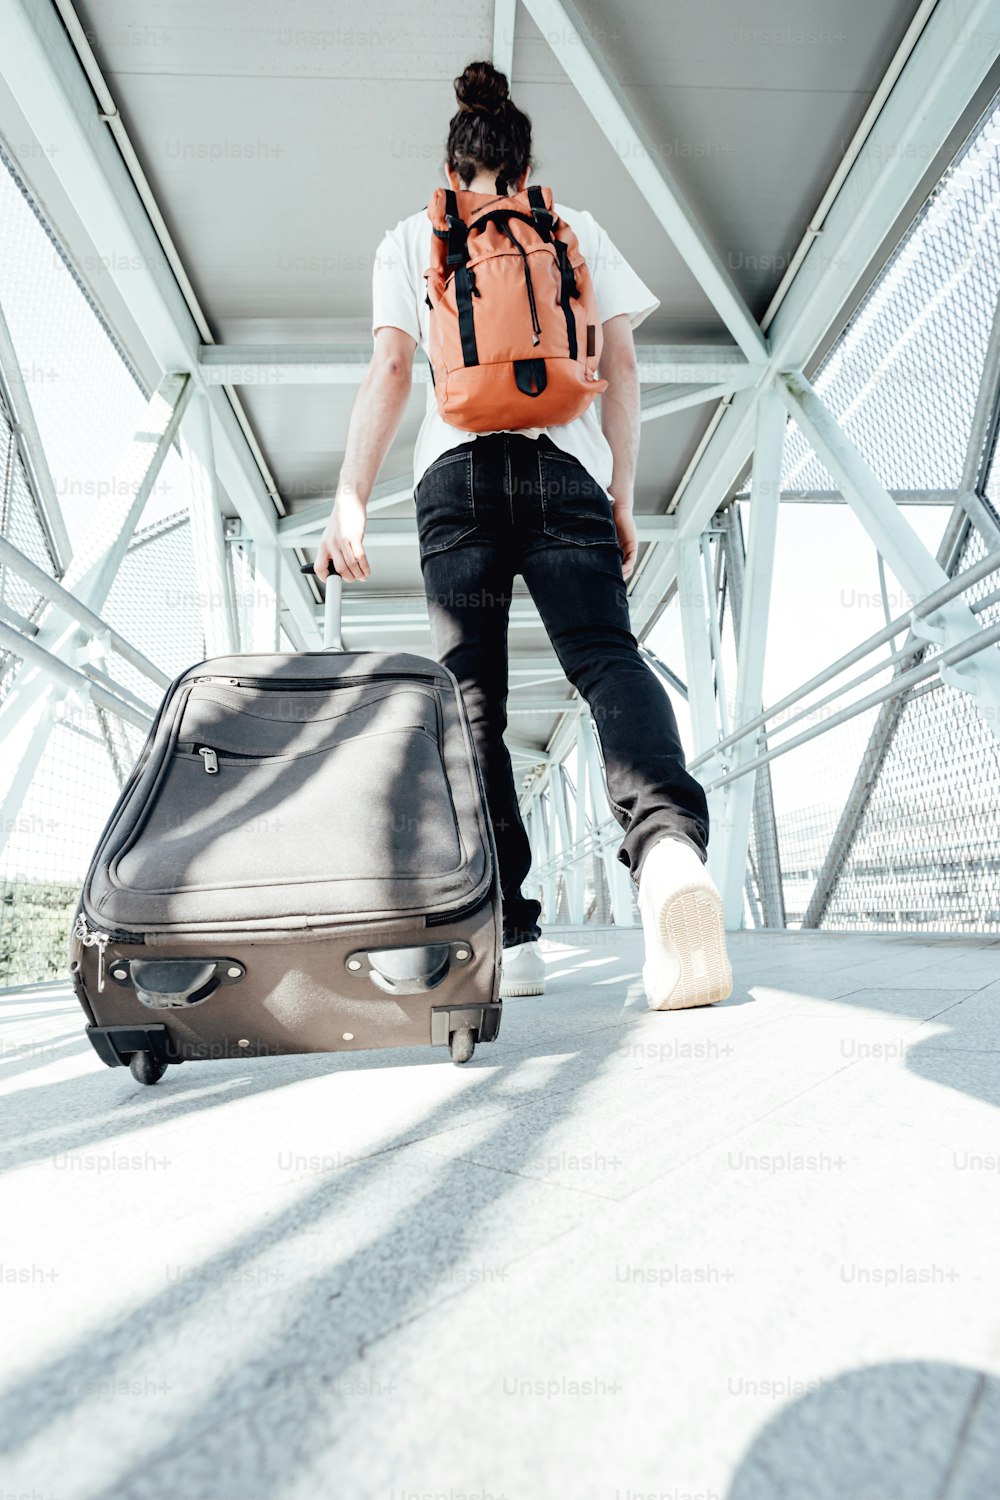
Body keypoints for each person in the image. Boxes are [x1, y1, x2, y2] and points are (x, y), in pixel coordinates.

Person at [316, 60, 733, 1010]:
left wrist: (349, 497)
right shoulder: (575, 229)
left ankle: (514, 930)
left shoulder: (408, 235)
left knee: (472, 702)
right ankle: (667, 849)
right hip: (564, 469)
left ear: (451, 160)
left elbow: (390, 369)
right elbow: (621, 362)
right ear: (523, 158)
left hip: (454, 476)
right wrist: (621, 492)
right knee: (604, 658)